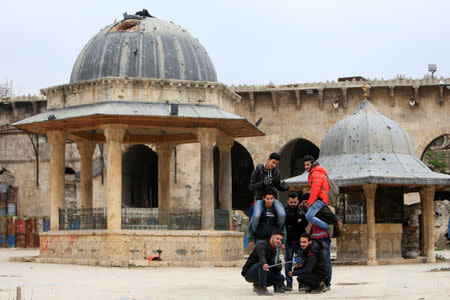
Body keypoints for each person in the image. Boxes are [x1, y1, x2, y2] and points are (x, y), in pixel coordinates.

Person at [303, 155, 342, 235]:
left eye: (308, 165)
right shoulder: (316, 172)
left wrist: (310, 203)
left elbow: (315, 190)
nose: (306, 167)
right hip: (321, 198)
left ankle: (328, 227)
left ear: (313, 164)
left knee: (309, 216)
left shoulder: (316, 173)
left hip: (320, 199)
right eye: (305, 165)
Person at [241, 229, 286, 295]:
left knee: (280, 277)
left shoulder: (274, 250)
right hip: (249, 273)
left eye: (280, 240)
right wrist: (264, 263)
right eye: (277, 239)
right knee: (261, 265)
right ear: (271, 238)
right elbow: (261, 256)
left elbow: (271, 266)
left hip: (262, 271)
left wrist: (278, 267)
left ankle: (261, 285)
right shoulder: (262, 246)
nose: (279, 241)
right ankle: (262, 288)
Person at [283, 191, 308, 291]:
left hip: (299, 242)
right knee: (288, 263)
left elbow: (305, 222)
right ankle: (289, 284)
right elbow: (286, 221)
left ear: (298, 201)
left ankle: (301, 284)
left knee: (299, 262)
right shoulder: (284, 210)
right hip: (288, 242)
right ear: (288, 201)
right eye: (291, 202)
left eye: (295, 202)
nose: (293, 204)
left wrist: (293, 222)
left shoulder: (302, 210)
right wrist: (296, 221)